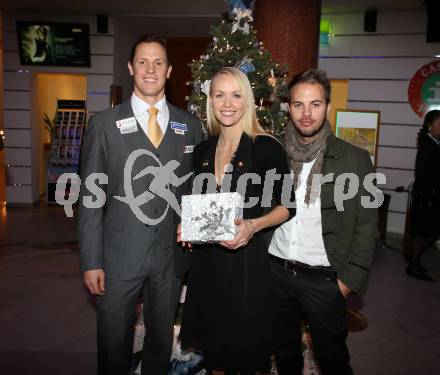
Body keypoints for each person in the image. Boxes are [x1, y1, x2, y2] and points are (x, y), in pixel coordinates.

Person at [78, 35, 202, 375]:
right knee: (113, 339)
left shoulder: (189, 126)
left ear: (169, 70)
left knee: (161, 341)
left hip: (169, 255)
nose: (151, 70)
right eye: (143, 62)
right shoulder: (103, 125)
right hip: (118, 255)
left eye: (158, 62)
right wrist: (91, 260)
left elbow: (194, 188)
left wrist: (193, 223)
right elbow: (91, 197)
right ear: (131, 67)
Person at [178, 67, 295, 374]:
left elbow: (288, 205)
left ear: (248, 100)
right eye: (219, 95)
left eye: (235, 95)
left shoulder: (266, 148)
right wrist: (188, 225)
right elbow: (200, 201)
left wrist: (253, 226)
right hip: (208, 265)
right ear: (210, 101)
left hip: (248, 267)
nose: (227, 103)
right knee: (215, 352)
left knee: (245, 354)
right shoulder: (203, 150)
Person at [268, 69, 378, 375]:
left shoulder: (354, 159)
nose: (306, 113)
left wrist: (346, 283)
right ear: (288, 107)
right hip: (276, 271)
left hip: (325, 279)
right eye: (299, 104)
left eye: (315, 104)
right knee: (285, 353)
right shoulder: (272, 152)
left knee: (333, 361)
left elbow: (368, 226)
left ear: (327, 106)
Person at [406, 109, 440, 281]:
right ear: (429, 125)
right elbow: (423, 171)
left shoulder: (433, 142)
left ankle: (415, 261)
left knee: (428, 231)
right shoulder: (427, 143)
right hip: (426, 195)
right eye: (439, 123)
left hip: (430, 195)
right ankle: (413, 265)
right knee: (424, 231)